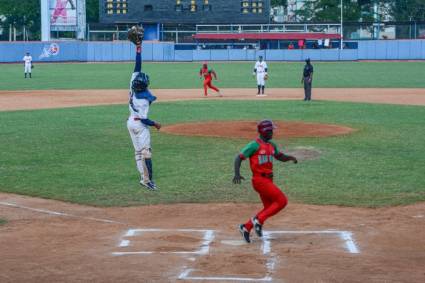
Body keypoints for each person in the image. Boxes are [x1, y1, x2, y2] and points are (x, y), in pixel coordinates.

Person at [233, 120, 298, 243]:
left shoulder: (272, 145)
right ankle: (258, 221)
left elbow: (279, 156)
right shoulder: (254, 145)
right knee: (282, 201)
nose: (272, 132)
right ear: (264, 131)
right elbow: (238, 158)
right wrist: (237, 173)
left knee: (269, 208)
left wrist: (290, 158)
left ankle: (246, 227)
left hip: (269, 180)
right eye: (270, 130)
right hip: (260, 180)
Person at [127, 38, 161, 191]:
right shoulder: (143, 101)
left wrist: (138, 50)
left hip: (130, 123)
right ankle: (147, 180)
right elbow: (144, 119)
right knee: (146, 152)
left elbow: (137, 66)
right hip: (140, 126)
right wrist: (155, 124)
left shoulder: (133, 84)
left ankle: (143, 177)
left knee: (137, 152)